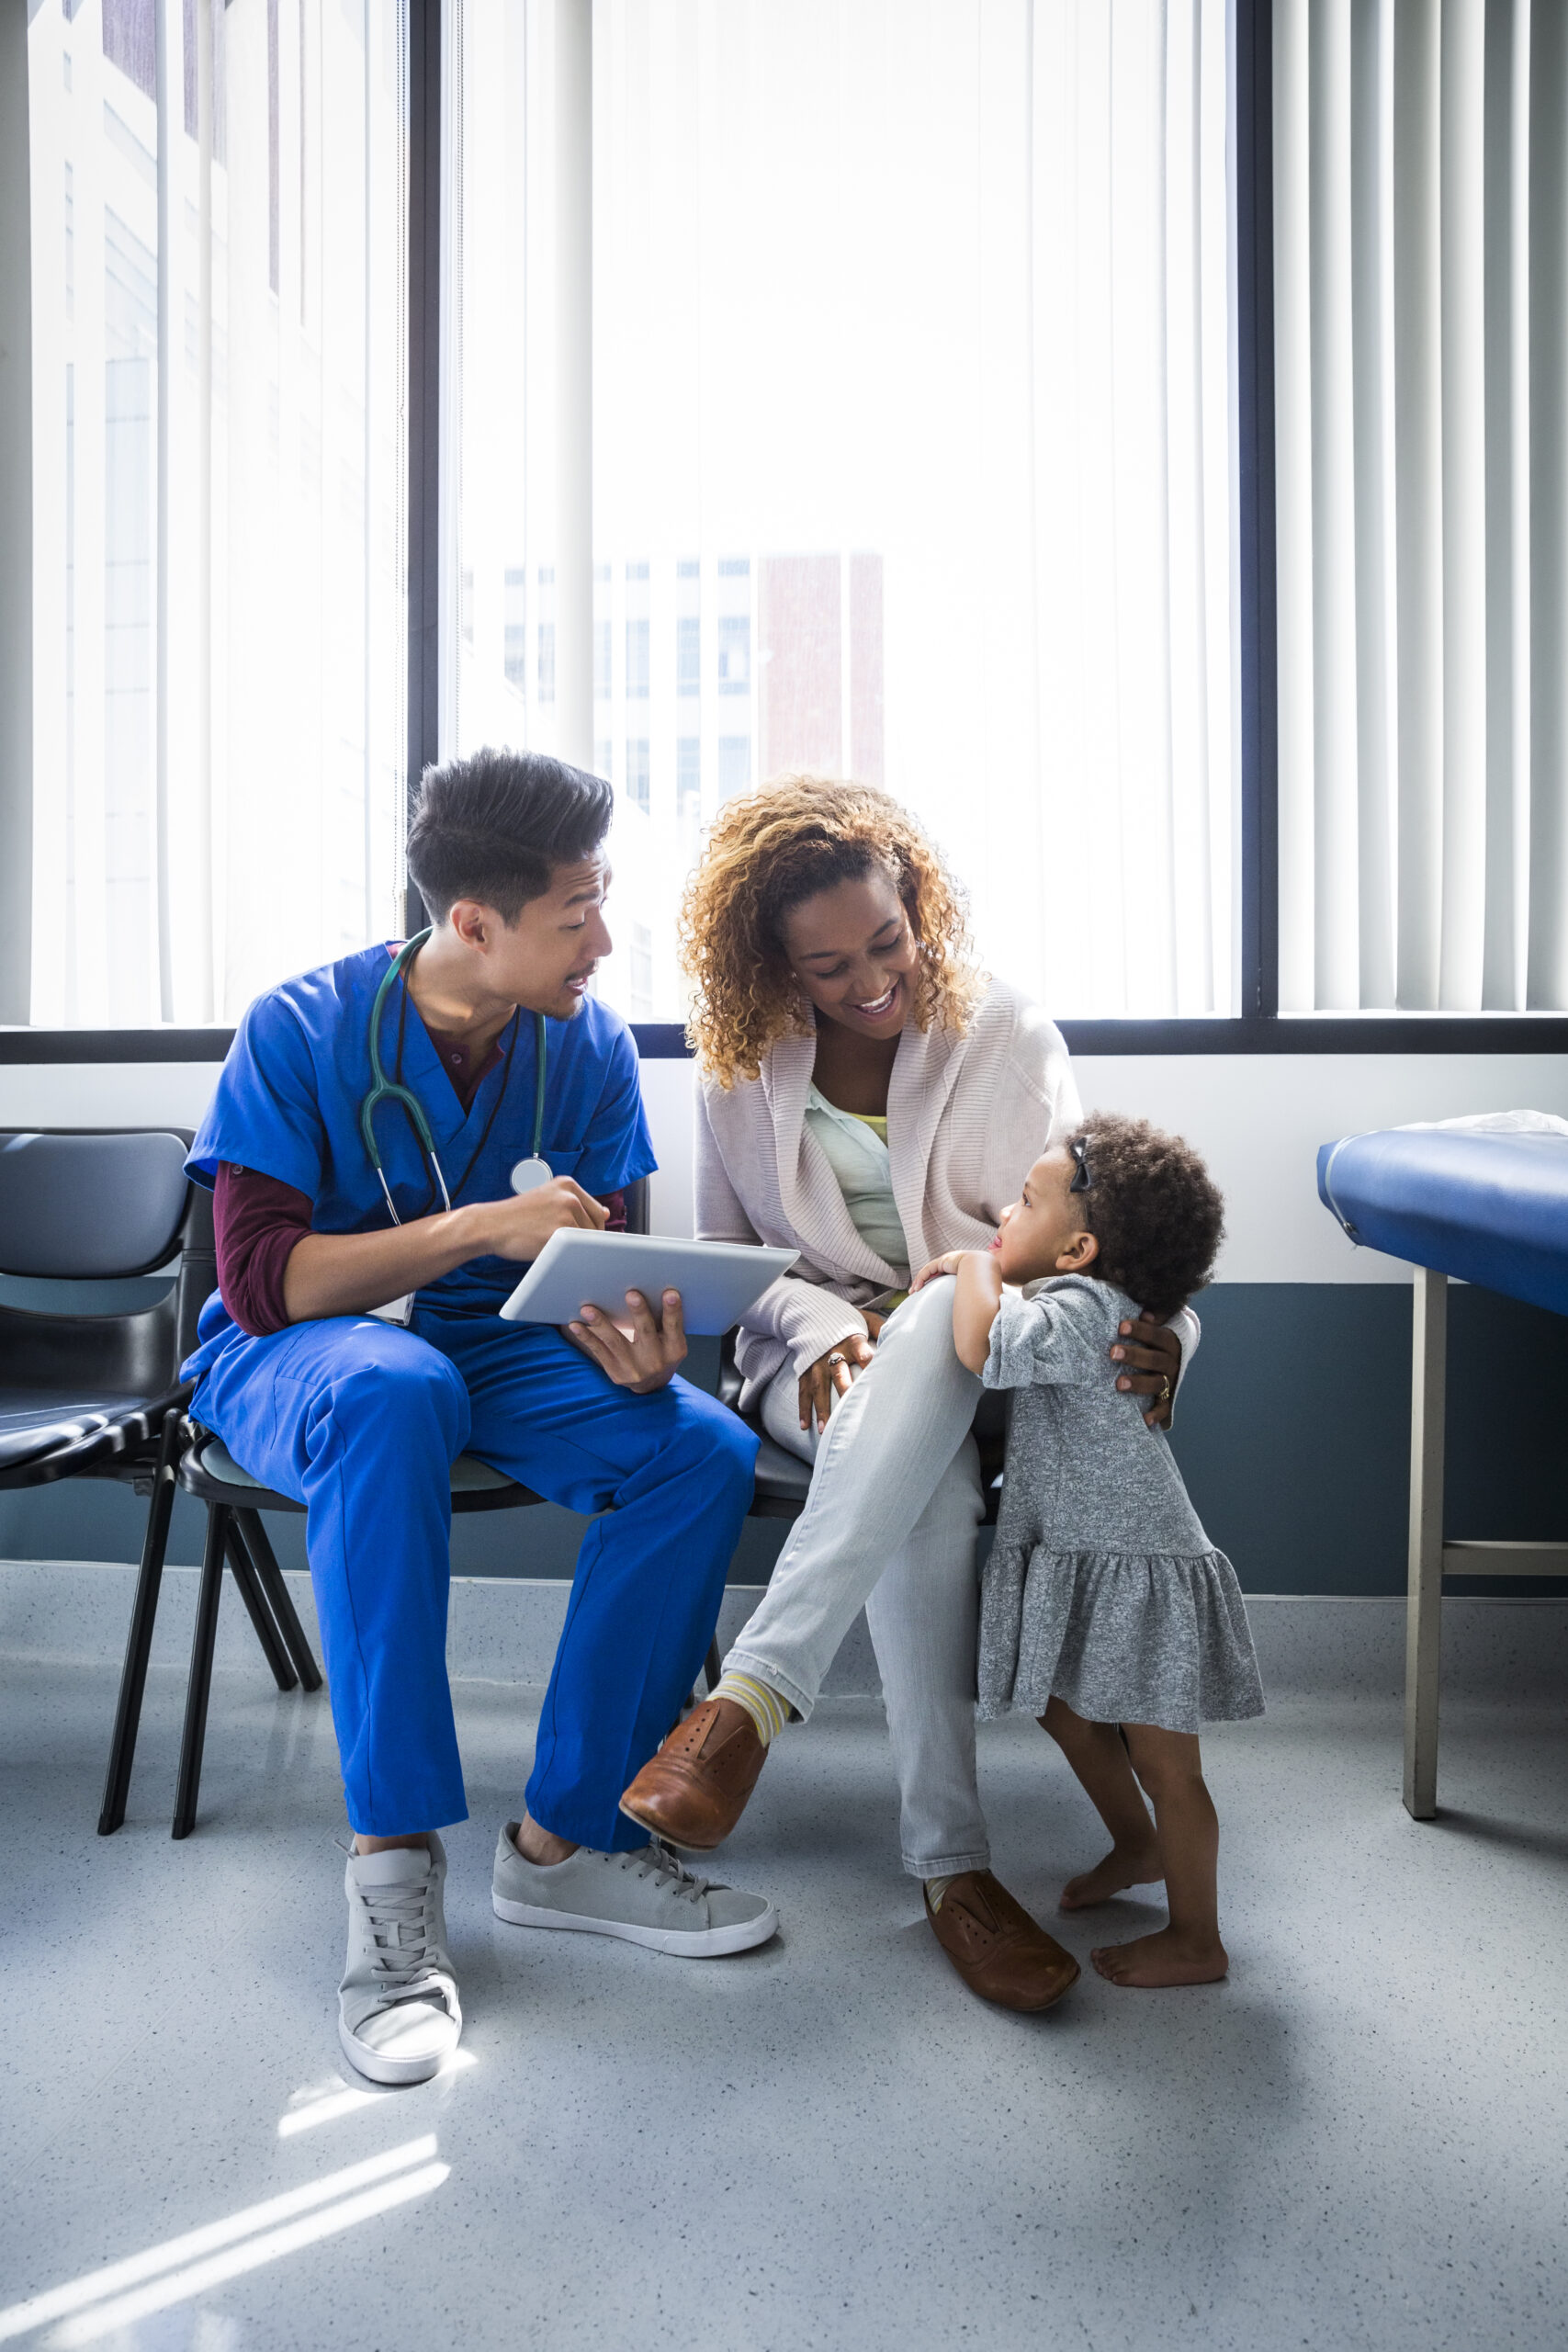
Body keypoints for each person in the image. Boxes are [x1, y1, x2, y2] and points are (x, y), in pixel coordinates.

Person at [182, 748, 774, 2090]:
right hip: (303, 1357)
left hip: (494, 1344)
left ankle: (572, 1845)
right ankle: (391, 1873)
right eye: (577, 913)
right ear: (471, 923)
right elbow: (266, 1282)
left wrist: (632, 1342)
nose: (603, 943)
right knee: (397, 1391)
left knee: (698, 1447)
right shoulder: (299, 1026)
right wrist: (479, 1227)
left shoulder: (589, 1045)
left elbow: (598, 1255)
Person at [620, 777, 1198, 2012]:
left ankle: (743, 1706)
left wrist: (1169, 1335)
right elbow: (736, 1276)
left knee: (945, 1304)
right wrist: (829, 1324)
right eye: (825, 967)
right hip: (819, 1361)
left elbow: (1101, 1236)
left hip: (994, 1355)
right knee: (920, 1485)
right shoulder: (735, 1066)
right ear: (771, 965)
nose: (868, 979)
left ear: (915, 904)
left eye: (885, 941)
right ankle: (953, 1871)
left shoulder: (1005, 1036)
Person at [918, 1111, 1262, 1987]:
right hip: (1090, 1553)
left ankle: (1197, 1937)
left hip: (1132, 1571)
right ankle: (1135, 1844)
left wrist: (972, 1264)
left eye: (1025, 1202)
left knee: (1167, 1764)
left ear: (1076, 1250)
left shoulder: (1075, 1310)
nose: (1005, 1209)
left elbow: (983, 1348)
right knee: (1063, 1707)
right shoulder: (1091, 1301)